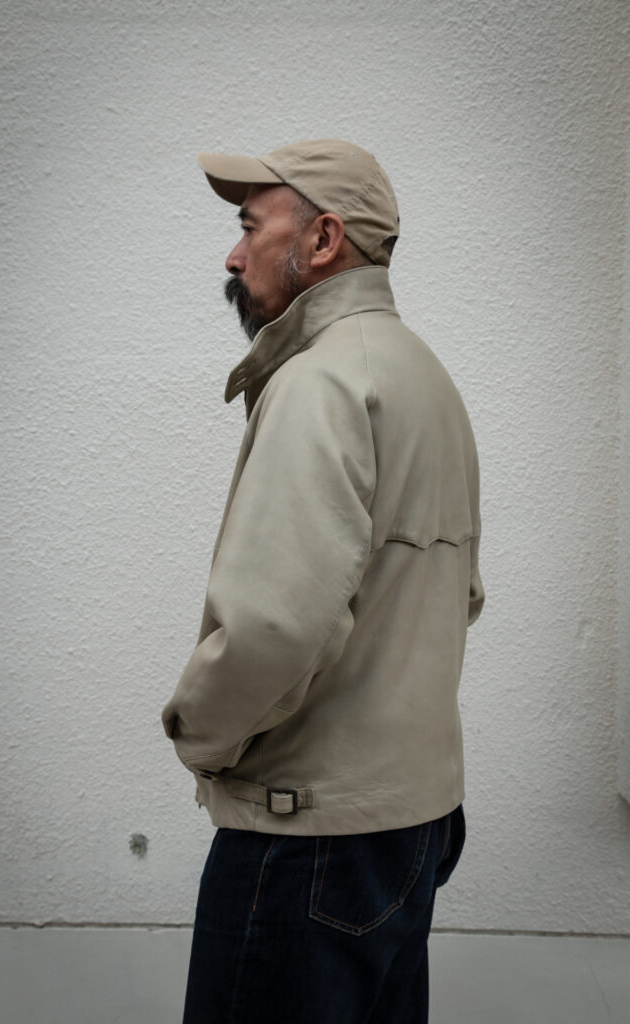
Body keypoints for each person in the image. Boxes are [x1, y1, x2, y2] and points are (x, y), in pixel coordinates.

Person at [162, 138, 484, 1024]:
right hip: (410, 828)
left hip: (307, 839)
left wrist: (198, 739)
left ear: (323, 239)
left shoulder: (318, 382)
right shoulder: (427, 380)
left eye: (249, 227)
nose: (233, 256)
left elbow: (273, 627)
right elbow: (461, 595)